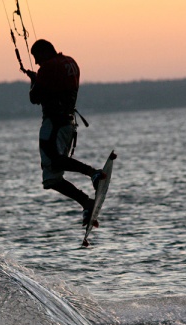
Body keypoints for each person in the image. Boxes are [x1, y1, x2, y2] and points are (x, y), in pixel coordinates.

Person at [25, 39, 116, 226]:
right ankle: (86, 202)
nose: (36, 63)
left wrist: (34, 81)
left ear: (43, 52)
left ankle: (93, 174)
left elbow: (34, 98)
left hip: (53, 124)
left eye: (36, 57)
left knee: (54, 164)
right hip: (68, 123)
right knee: (52, 178)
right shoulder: (71, 63)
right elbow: (57, 86)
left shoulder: (47, 68)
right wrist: (39, 79)